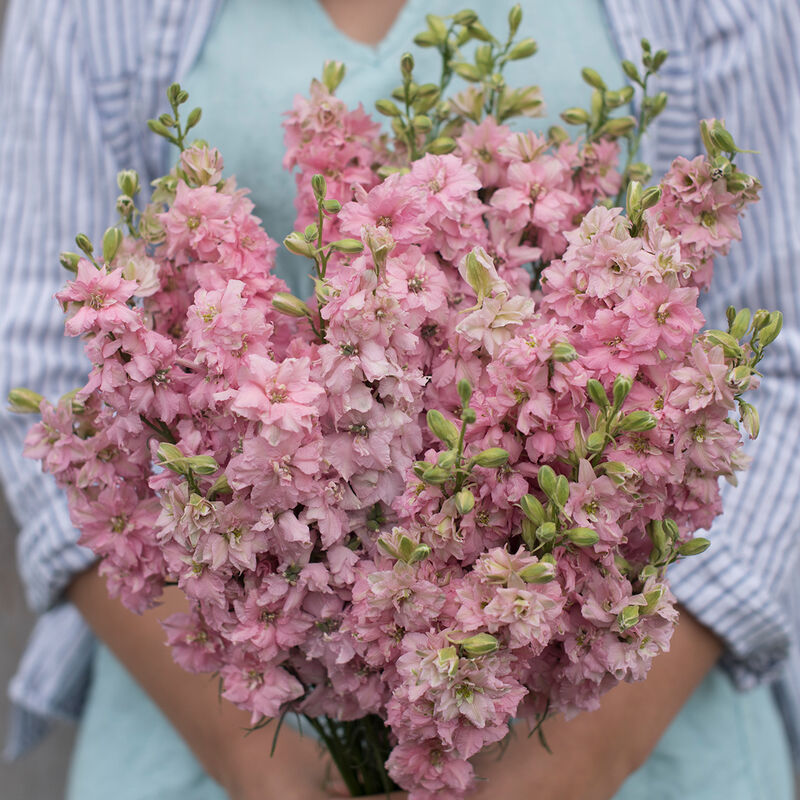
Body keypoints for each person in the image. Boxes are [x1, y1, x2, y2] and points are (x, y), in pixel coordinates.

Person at [0, 1, 797, 798]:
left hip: (645, 724)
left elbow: (784, 355)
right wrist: (241, 748)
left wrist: (594, 755)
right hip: (212, 726)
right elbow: (34, 359)